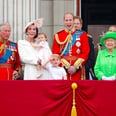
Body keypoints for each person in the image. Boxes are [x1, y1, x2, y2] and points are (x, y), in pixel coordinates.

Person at [52, 12, 90, 80]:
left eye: (70, 20)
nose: (68, 22)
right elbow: (55, 54)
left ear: (73, 21)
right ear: (64, 22)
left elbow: (85, 53)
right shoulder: (58, 36)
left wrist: (75, 66)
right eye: (66, 20)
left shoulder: (82, 35)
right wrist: (66, 66)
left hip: (78, 71)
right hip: (62, 71)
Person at [73, 16, 95, 80]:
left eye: (77, 24)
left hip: (84, 71)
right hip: (69, 71)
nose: (76, 25)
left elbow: (91, 58)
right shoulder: (66, 38)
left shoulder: (88, 38)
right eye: (74, 24)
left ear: (81, 25)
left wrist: (82, 67)